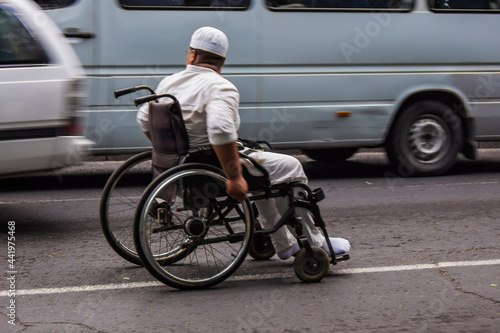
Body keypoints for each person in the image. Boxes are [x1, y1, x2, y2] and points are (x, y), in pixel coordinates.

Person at [137, 26, 350, 259]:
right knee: (290, 167)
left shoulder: (168, 83)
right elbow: (219, 130)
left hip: (176, 164)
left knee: (266, 168)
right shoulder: (220, 87)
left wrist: (174, 150)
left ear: (192, 54)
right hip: (211, 166)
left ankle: (284, 243)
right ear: (222, 61)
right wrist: (234, 177)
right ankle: (315, 240)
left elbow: (145, 120)